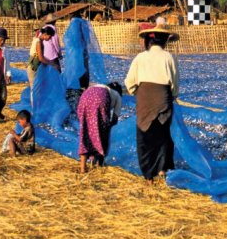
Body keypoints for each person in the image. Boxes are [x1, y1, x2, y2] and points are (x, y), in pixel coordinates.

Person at [124, 20, 179, 183]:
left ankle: (149, 175)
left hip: (144, 99)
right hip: (163, 99)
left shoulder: (140, 58)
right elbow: (175, 84)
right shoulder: (169, 57)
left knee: (145, 136)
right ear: (164, 41)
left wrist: (138, 93)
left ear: (149, 41)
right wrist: (173, 95)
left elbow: (129, 82)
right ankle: (163, 169)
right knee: (163, 135)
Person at [76, 80, 123, 172]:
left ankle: (83, 168)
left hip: (85, 96)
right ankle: (99, 164)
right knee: (102, 133)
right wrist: (107, 127)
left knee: (85, 132)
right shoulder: (117, 95)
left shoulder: (98, 86)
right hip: (101, 98)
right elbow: (115, 119)